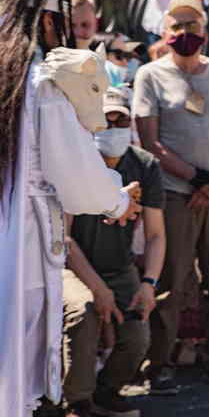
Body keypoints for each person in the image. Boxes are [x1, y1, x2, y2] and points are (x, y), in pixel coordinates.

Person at [0, 0, 140, 417]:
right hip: (22, 231)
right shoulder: (43, 84)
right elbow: (73, 170)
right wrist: (117, 200)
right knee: (14, 344)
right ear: (47, 22)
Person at [132, 0, 209, 393]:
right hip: (174, 194)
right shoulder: (149, 74)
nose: (185, 34)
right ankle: (159, 362)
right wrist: (195, 178)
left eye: (192, 26)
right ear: (165, 32)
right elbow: (149, 142)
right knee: (172, 280)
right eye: (177, 26)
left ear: (204, 32)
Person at [62, 87, 167, 417]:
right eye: (105, 120)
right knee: (86, 312)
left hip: (120, 268)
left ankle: (108, 392)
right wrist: (98, 288)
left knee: (138, 332)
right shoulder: (77, 163)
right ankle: (77, 402)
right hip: (73, 266)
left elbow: (155, 234)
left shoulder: (145, 165)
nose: (112, 126)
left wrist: (149, 283)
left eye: (120, 120)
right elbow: (64, 239)